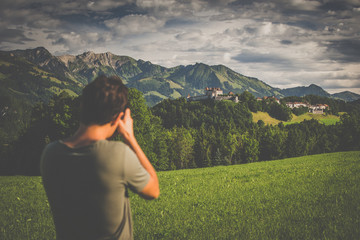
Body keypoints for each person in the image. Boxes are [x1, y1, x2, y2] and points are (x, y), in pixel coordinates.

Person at [40, 75, 159, 240]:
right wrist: (130, 137)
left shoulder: (50, 154)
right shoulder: (118, 154)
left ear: (83, 108)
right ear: (118, 118)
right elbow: (153, 190)